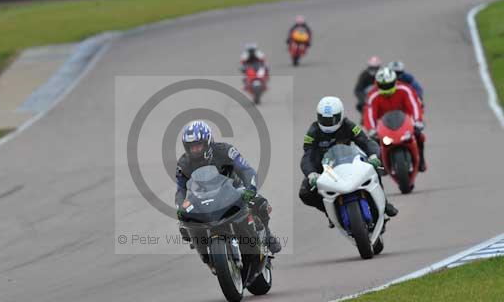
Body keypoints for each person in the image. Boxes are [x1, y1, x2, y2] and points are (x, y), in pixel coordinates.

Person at [176, 120, 281, 254]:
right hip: (202, 197)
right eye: (192, 147)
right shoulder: (183, 163)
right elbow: (180, 189)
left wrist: (251, 189)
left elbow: (246, 170)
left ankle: (267, 235)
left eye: (198, 145)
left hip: (234, 190)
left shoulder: (225, 150)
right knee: (184, 224)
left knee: (259, 203)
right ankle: (207, 257)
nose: (195, 150)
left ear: (208, 142)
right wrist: (180, 206)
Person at [299, 96, 398, 227]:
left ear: (340, 115)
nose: (328, 123)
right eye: (324, 119)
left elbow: (365, 141)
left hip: (348, 161)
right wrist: (311, 173)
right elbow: (307, 155)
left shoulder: (348, 125)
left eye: (331, 119)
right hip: (325, 168)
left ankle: (384, 203)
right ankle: (330, 212)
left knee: (373, 169)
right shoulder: (313, 132)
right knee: (305, 193)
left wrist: (373, 156)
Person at [364, 67, 427, 172]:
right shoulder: (373, 96)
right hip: (385, 126)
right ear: (377, 84)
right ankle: (381, 165)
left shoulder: (405, 89)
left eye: (388, 85)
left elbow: (414, 105)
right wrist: (371, 129)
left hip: (405, 122)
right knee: (374, 142)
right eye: (383, 86)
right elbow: (369, 113)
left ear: (394, 81)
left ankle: (421, 161)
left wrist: (418, 121)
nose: (386, 88)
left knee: (419, 136)